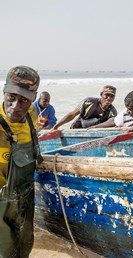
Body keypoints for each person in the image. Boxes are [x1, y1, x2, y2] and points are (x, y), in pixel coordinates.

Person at [0, 65, 43, 257]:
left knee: (25, 245)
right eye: (11, 98)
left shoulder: (33, 116)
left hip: (25, 198)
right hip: (2, 202)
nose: (16, 106)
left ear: (33, 100)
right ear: (4, 92)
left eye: (24, 101)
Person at [53, 85, 117, 129]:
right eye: (107, 95)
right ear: (101, 94)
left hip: (94, 132)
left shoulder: (112, 111)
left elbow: (112, 122)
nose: (109, 98)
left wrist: (96, 127)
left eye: (112, 96)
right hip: (77, 129)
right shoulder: (89, 102)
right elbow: (73, 114)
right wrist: (56, 126)